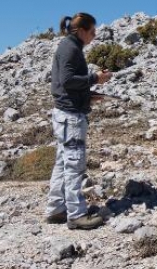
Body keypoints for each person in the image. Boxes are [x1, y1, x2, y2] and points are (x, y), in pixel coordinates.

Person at [45, 12, 112, 230]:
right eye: (92, 31)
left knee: (63, 162)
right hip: (71, 117)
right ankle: (76, 214)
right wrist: (95, 78)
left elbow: (67, 85)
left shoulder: (69, 46)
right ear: (81, 30)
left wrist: (89, 95)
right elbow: (68, 80)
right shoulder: (70, 48)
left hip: (66, 113)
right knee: (74, 165)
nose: (94, 35)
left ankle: (56, 209)